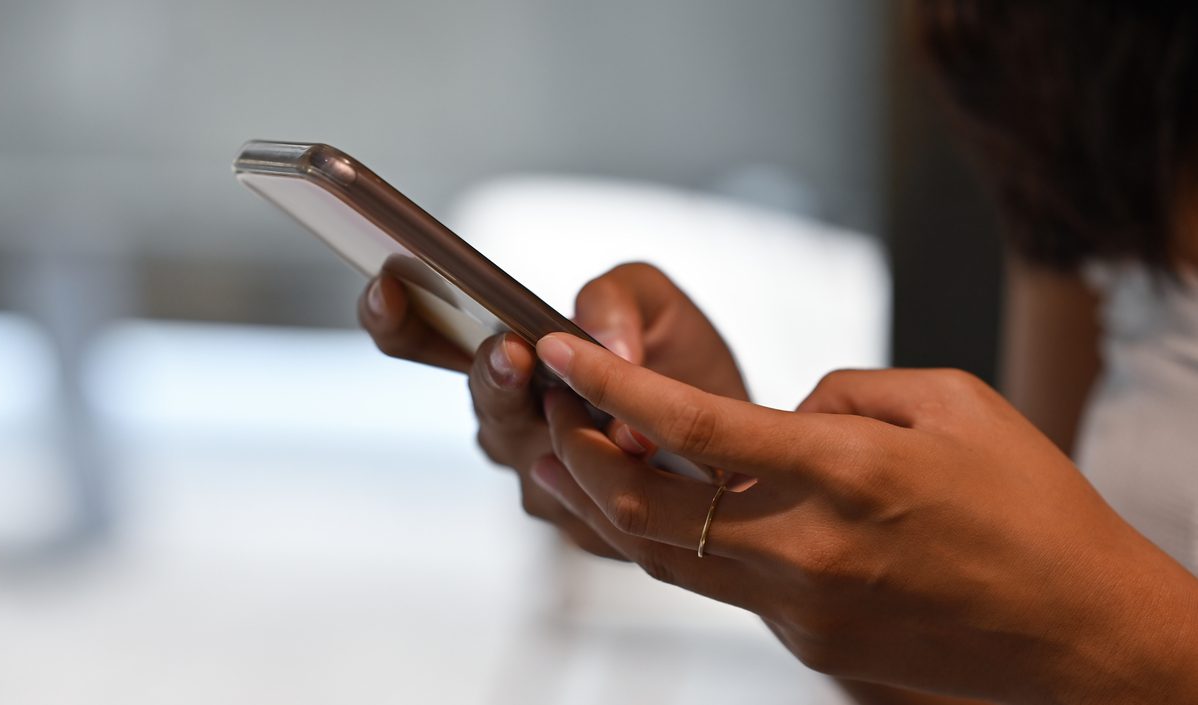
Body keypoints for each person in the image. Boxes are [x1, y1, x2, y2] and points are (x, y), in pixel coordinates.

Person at [360, 2, 1198, 703]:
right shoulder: (1102, 62)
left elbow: (1070, 635)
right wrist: (737, 506)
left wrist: (1085, 624)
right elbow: (1018, 672)